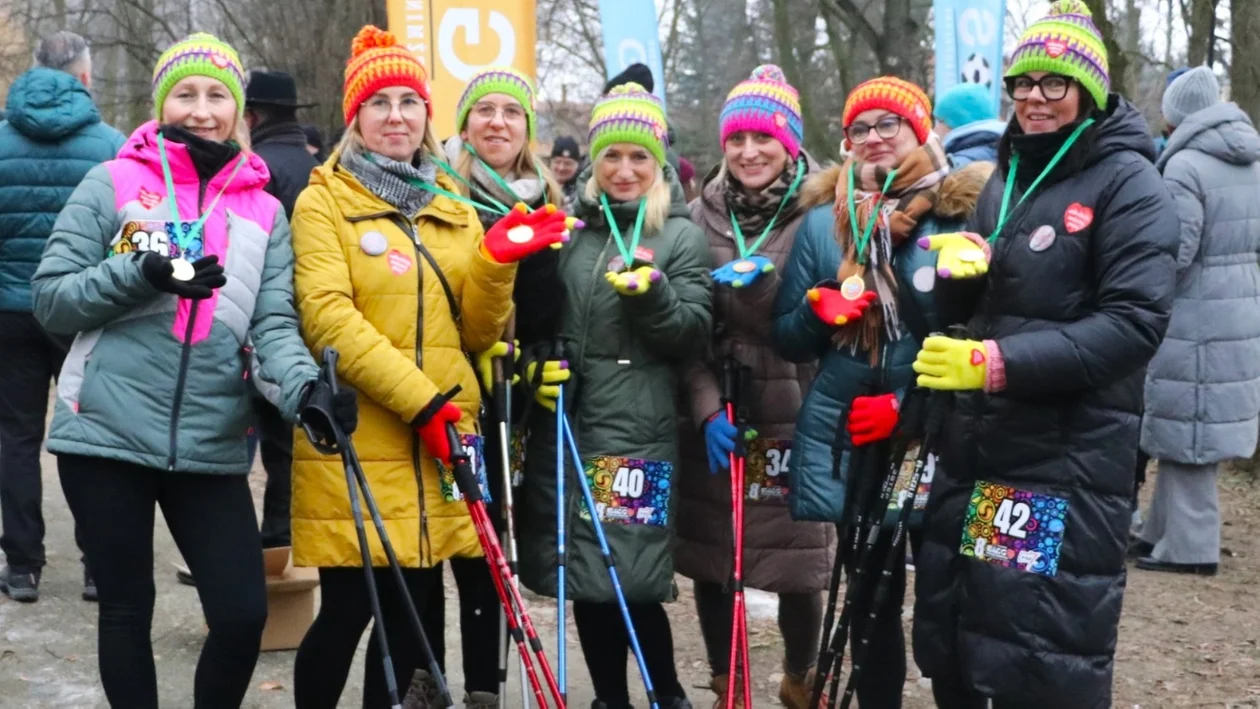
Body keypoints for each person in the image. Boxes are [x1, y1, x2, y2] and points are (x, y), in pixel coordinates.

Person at [30, 33, 352, 708]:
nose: (201, 110)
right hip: (105, 432)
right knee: (126, 606)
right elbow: (52, 298)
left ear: (240, 111)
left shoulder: (263, 210)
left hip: (209, 439)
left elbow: (270, 328)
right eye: (186, 93)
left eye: (217, 96)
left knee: (241, 613)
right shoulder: (114, 181)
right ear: (161, 102)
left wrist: (306, 391)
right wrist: (138, 272)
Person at [287, 27, 567, 709]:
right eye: (379, 102)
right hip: (367, 438)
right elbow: (329, 318)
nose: (396, 116)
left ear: (426, 117)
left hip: (446, 440)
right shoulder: (323, 200)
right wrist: (422, 402)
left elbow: (473, 328)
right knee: (352, 609)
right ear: (356, 117)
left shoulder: (452, 204)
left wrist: (496, 264)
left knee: (416, 622)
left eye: (410, 101)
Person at [910, 3, 1179, 707]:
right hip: (979, 451)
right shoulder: (1003, 179)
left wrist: (998, 363)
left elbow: (1133, 323)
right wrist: (955, 283)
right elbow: (968, 316)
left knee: (1037, 654)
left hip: (1065, 461)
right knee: (969, 643)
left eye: (1052, 83)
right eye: (1021, 82)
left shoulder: (1131, 184)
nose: (1032, 96)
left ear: (1088, 91)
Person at [772, 75, 988, 709]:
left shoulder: (963, 207)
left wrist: (909, 406)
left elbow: (983, 331)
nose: (872, 139)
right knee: (869, 601)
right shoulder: (821, 224)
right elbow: (787, 338)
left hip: (938, 437)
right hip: (854, 440)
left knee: (951, 601)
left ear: (919, 131)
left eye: (887, 125)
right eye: (858, 129)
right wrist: (821, 315)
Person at [516, 81, 712, 709]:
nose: (624, 171)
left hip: (636, 430)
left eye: (638, 159)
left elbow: (692, 332)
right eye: (612, 157)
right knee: (585, 576)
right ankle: (609, 699)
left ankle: (667, 694)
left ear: (657, 165)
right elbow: (540, 321)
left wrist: (653, 294)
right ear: (593, 162)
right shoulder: (572, 230)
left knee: (630, 577)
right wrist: (536, 367)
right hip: (568, 425)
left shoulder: (678, 235)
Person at [406, 64, 567, 709]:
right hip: (448, 399)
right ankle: (426, 678)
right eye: (483, 111)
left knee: (488, 549)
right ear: (463, 125)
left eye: (510, 112)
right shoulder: (434, 192)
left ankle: (483, 688)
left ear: (526, 128)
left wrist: (538, 365)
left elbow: (556, 313)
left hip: (513, 409)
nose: (496, 122)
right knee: (435, 534)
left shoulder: (546, 202)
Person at [677, 64, 829, 709]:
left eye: (763, 139)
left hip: (797, 403)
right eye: (736, 140)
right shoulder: (696, 215)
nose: (748, 152)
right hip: (719, 403)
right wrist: (706, 406)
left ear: (789, 143)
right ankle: (726, 682)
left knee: (797, 561)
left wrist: (768, 289)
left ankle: (799, 676)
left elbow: (827, 320)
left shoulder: (822, 214)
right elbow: (686, 332)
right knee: (717, 557)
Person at [0, 30, 123, 604]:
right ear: (84, 77)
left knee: (16, 436)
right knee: (91, 434)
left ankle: (23, 566)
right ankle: (101, 564)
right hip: (83, 309)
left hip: (10, 311)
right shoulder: (112, 147)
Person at [1135, 67, 1260, 576]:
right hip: (1241, 302)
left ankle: (1190, 546)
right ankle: (1160, 532)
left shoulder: (1184, 163)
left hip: (1194, 310)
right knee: (1192, 424)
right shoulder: (1251, 160)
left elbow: (1177, 248)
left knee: (1188, 428)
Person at [244, 69, 320, 548]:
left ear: (250, 116)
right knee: (304, 447)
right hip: (322, 322)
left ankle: (276, 546)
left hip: (266, 325)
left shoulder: (253, 171)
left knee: (274, 449)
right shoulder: (327, 170)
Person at [933, 83, 1005, 167]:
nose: (934, 130)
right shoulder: (1005, 154)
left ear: (957, 122)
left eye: (940, 121)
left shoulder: (956, 166)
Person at [550, 135, 583, 210]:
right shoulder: (541, 186)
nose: (561, 168)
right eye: (557, 162)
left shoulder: (582, 192)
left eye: (567, 163)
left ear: (577, 165)